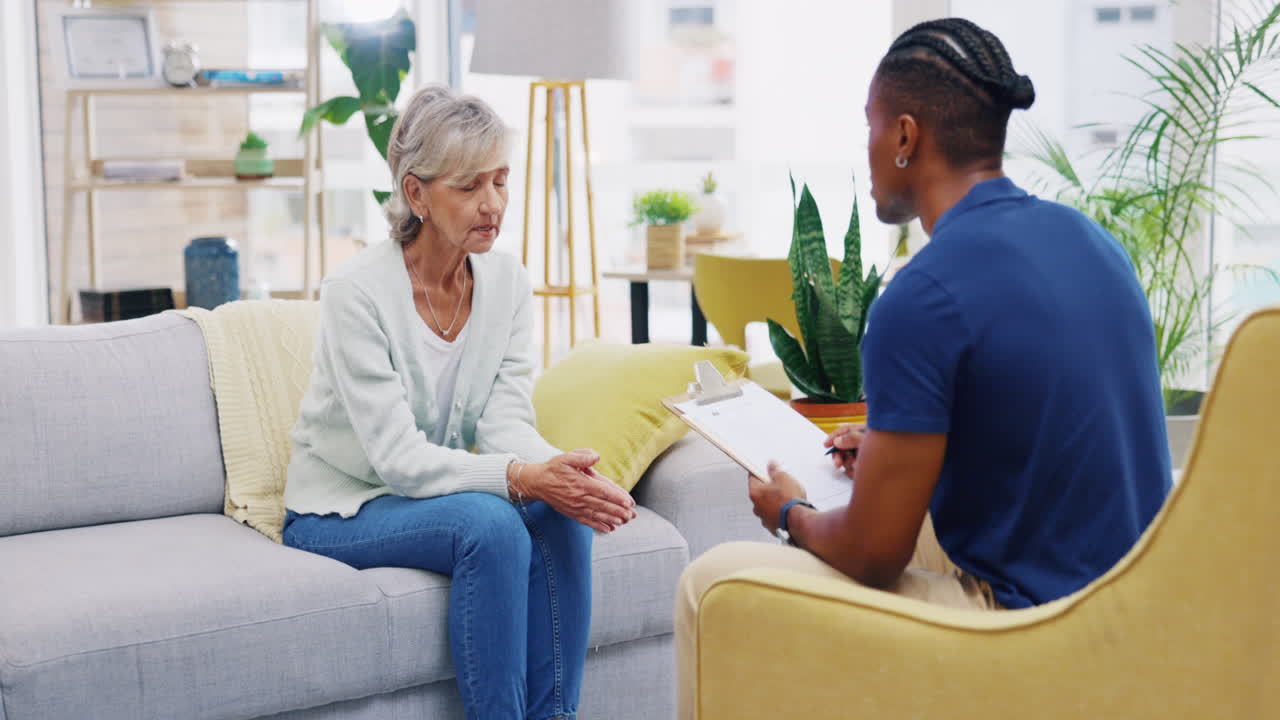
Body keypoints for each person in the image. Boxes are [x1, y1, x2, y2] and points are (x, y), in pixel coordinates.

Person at [675, 17, 1172, 717]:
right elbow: (1038, 421)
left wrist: (787, 512)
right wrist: (886, 447)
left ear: (906, 137)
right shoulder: (1093, 242)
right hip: (1140, 613)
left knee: (709, 582)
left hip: (1033, 628)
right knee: (868, 504)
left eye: (872, 127)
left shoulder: (922, 294)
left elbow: (876, 554)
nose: (869, 147)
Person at [282, 85, 636, 720]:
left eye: (501, 181)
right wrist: (522, 478)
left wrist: (559, 473)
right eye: (470, 185)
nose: (493, 203)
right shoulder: (355, 295)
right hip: (342, 505)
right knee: (492, 524)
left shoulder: (505, 283)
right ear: (416, 193)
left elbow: (504, 421)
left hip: (421, 491)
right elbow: (397, 460)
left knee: (558, 511)